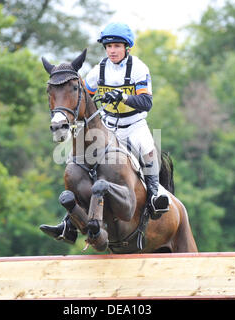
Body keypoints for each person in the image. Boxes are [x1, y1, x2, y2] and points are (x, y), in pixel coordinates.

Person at [40, 22, 169, 244]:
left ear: (126, 48)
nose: (112, 50)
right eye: (109, 46)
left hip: (134, 124)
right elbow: (84, 96)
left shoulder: (139, 68)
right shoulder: (97, 70)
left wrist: (122, 97)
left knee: (148, 152)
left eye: (117, 46)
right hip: (107, 125)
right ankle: (68, 224)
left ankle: (154, 197)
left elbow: (146, 102)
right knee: (79, 164)